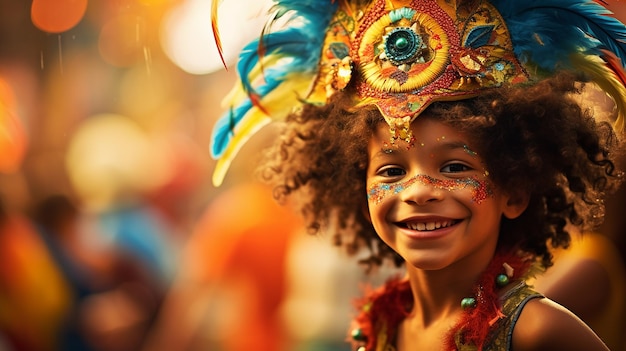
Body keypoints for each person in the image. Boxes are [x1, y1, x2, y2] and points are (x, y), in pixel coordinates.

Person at [209, 1, 626, 350]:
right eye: (391, 170)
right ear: (361, 191)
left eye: (454, 167)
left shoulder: (540, 333)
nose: (419, 190)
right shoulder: (378, 329)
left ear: (514, 190)